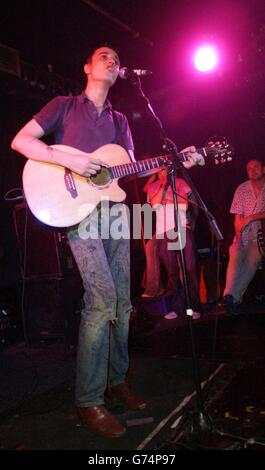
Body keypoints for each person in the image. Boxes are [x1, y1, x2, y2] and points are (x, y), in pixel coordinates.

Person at [11, 44, 204, 437]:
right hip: (77, 213)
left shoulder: (119, 121)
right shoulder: (64, 105)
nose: (112, 60)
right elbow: (21, 141)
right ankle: (88, 400)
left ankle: (117, 379)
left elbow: (125, 171)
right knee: (100, 302)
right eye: (104, 55)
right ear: (86, 66)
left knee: (121, 300)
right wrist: (74, 161)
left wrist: (175, 160)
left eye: (117, 58)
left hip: (116, 213)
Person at [141, 167, 201, 320]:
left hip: (181, 227)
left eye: (166, 170)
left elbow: (184, 205)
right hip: (163, 232)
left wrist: (164, 201)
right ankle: (175, 307)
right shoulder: (154, 186)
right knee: (172, 272)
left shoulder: (180, 182)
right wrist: (163, 187)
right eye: (160, 170)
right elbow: (154, 205)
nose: (164, 172)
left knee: (189, 269)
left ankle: (192, 307)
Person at [223, 159, 265, 314]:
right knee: (235, 256)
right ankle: (229, 297)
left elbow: (249, 217)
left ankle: (233, 297)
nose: (252, 170)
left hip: (261, 236)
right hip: (243, 234)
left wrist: (251, 217)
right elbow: (237, 217)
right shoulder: (241, 188)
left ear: (263, 169)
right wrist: (238, 236)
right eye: (249, 169)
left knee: (251, 262)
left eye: (256, 167)